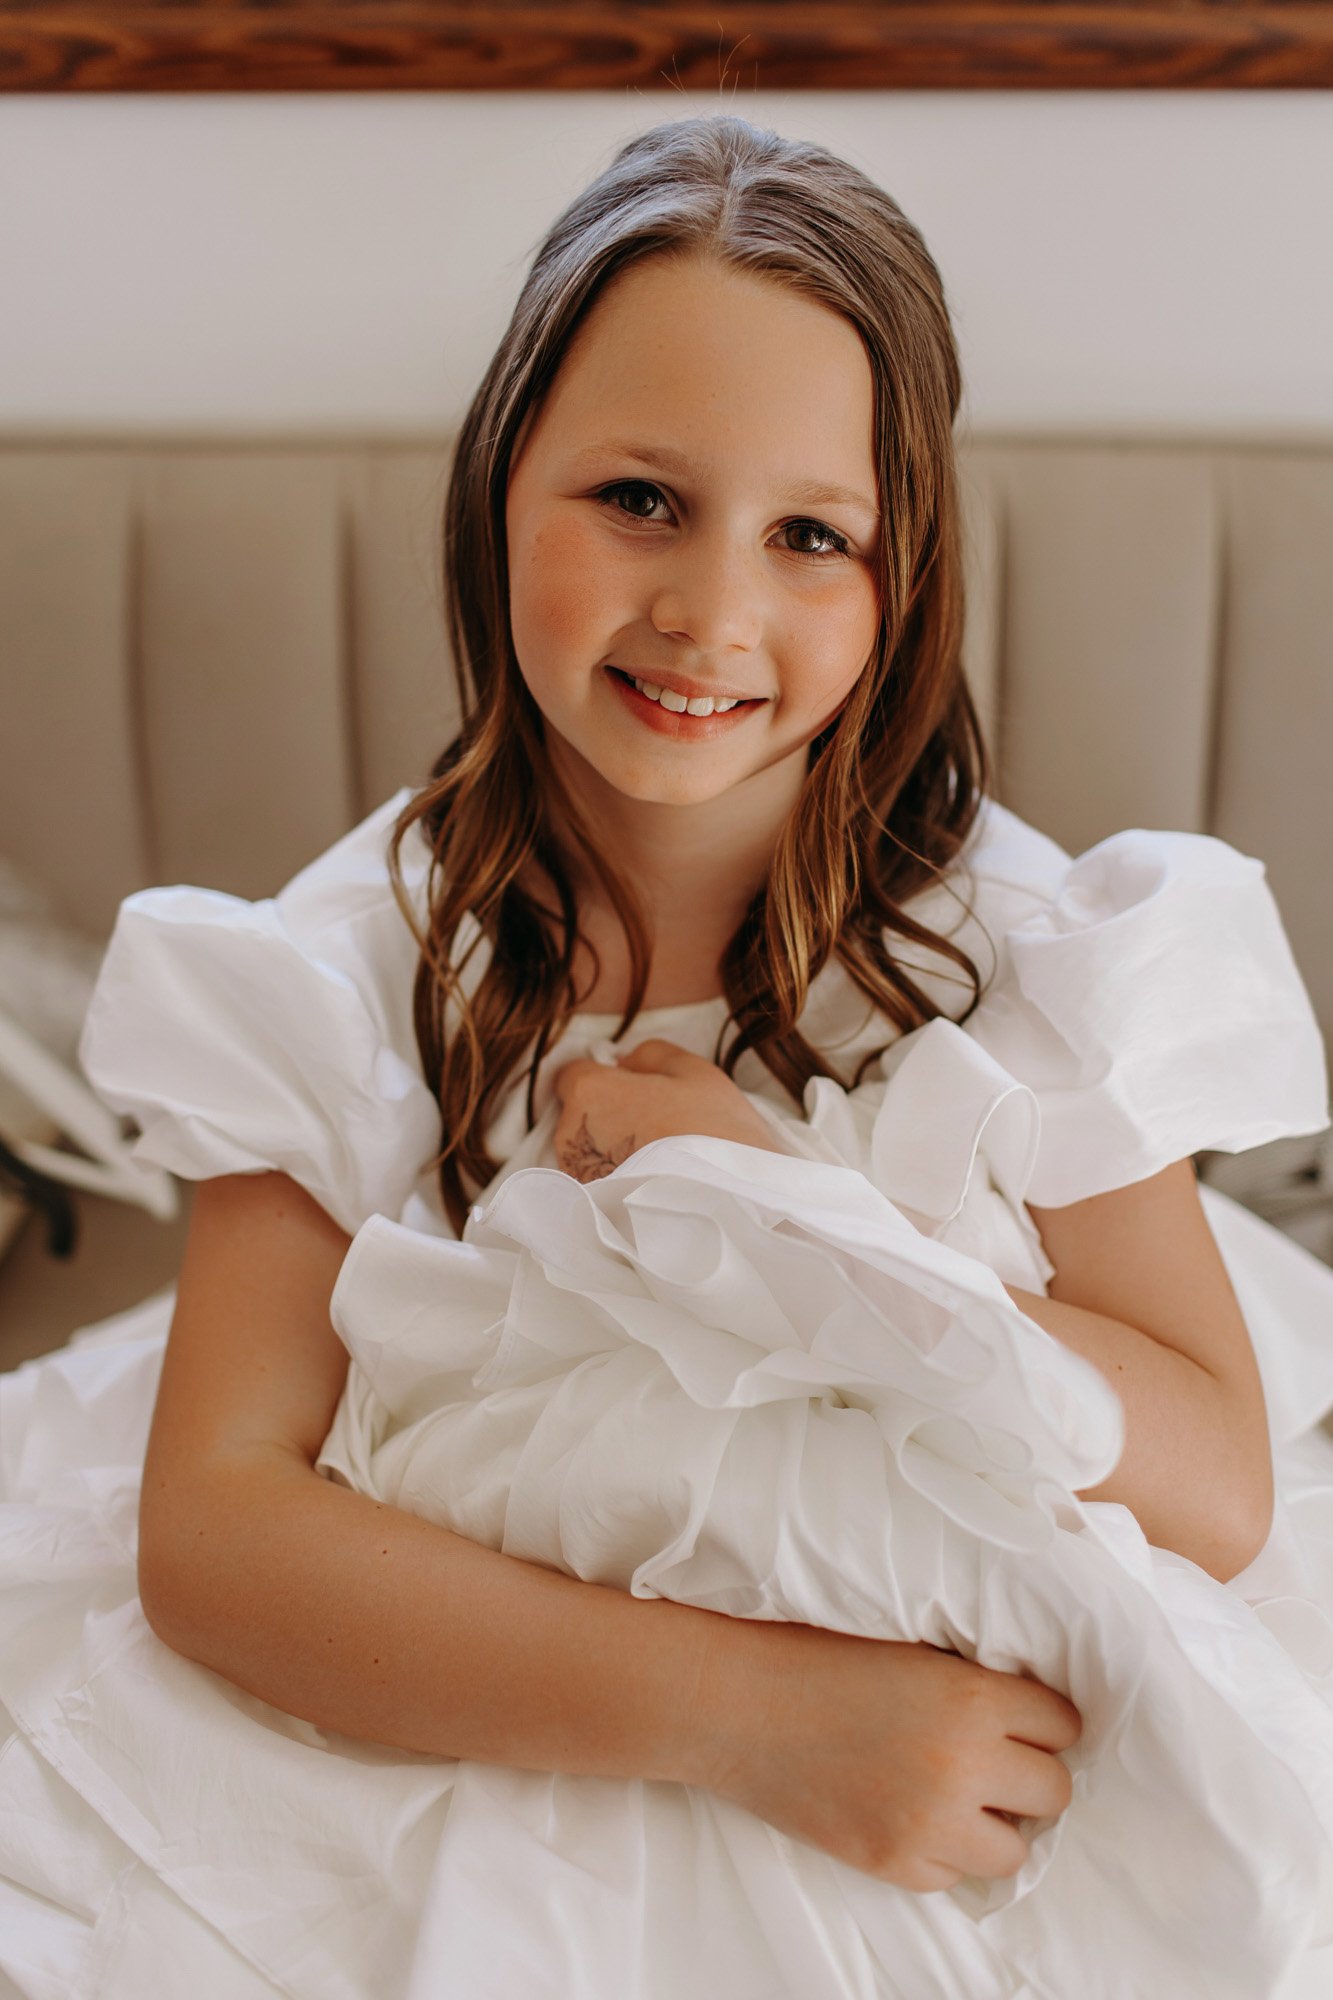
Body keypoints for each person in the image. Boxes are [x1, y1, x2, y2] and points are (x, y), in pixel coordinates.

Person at [2, 112, 1332, 1999]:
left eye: (810, 536)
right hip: (508, 1690)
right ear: (498, 489)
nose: (711, 612)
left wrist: (789, 1201)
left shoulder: (1014, 961)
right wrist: (766, 1721)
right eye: (637, 498)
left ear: (901, 583)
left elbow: (1208, 1477)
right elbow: (220, 1537)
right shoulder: (341, 973)